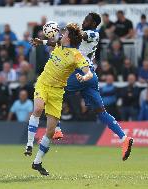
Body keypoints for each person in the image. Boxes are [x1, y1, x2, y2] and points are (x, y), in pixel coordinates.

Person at [30, 13, 133, 165]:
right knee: (101, 112)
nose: (84, 22)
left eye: (87, 20)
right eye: (84, 19)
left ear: (94, 24)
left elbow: (78, 36)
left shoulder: (93, 34)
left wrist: (65, 30)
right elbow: (63, 42)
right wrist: (43, 41)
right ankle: (124, 139)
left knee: (56, 91)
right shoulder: (78, 38)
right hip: (91, 77)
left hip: (81, 72)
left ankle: (57, 128)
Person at [25, 23, 93, 176]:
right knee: (37, 108)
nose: (61, 34)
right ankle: (29, 144)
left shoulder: (76, 55)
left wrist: (84, 77)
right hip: (43, 83)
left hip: (57, 92)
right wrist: (39, 42)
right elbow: (50, 42)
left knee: (50, 132)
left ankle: (37, 162)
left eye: (64, 32)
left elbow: (88, 72)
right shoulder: (59, 44)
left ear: (69, 37)